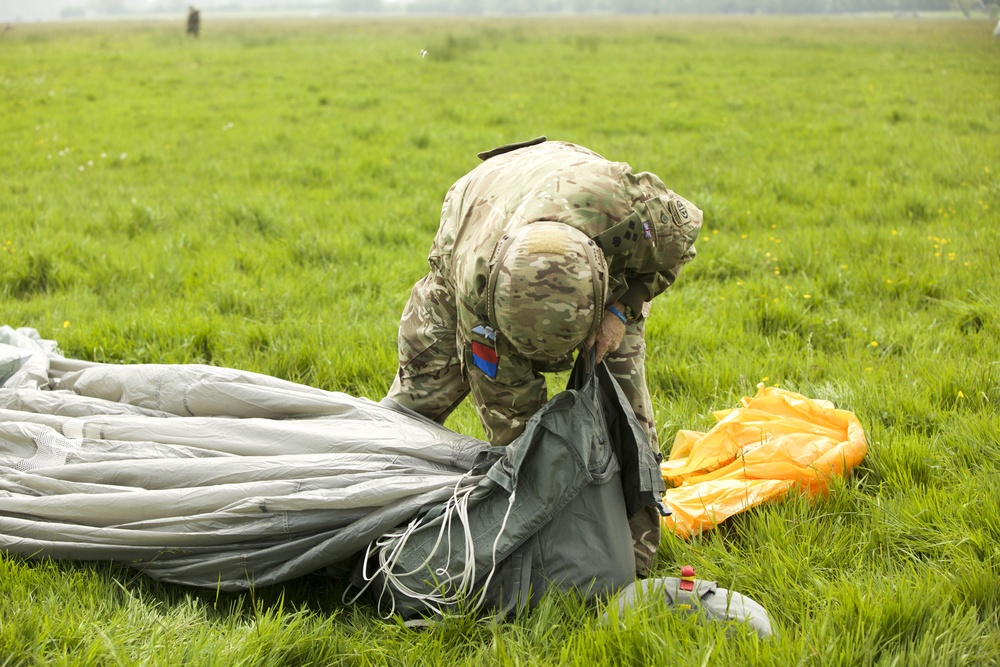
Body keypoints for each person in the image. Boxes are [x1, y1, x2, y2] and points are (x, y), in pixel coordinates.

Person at [385, 137, 702, 575]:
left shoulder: (634, 211)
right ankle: (376, 511)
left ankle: (636, 557)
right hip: (477, 209)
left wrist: (621, 309)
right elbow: (514, 424)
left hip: (580, 207)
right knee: (415, 405)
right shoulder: (475, 294)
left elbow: (684, 237)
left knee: (625, 416)